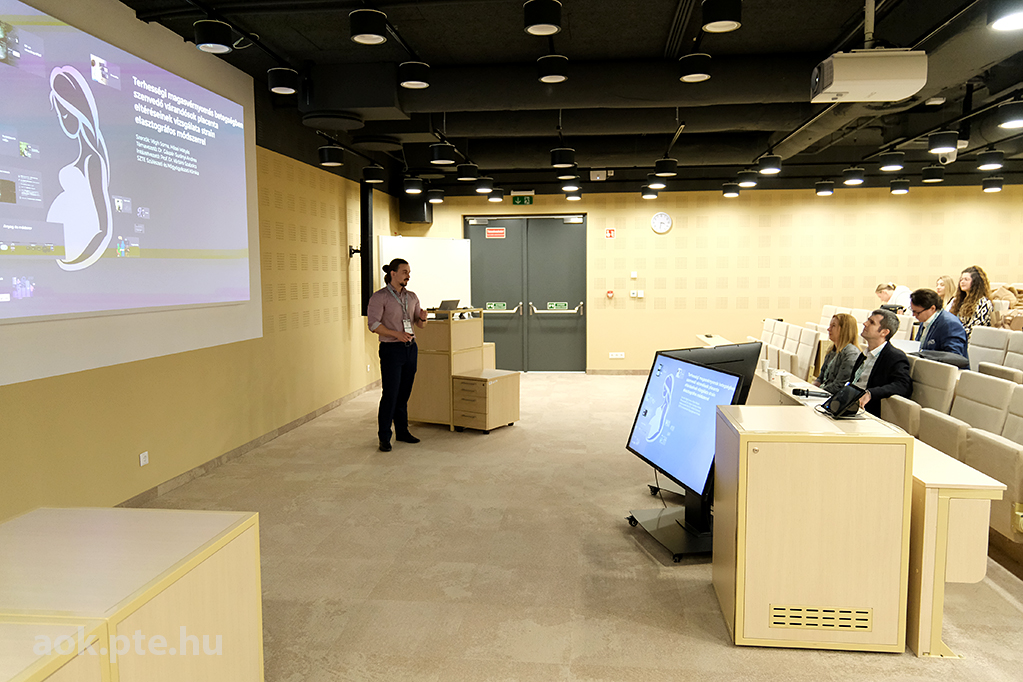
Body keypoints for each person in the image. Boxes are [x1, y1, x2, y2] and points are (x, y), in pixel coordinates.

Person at [367, 258, 428, 452]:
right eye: (404, 272)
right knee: (390, 394)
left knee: (404, 393)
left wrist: (423, 319)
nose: (408, 275)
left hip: (410, 348)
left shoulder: (412, 296)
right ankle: (384, 436)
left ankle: (402, 431)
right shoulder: (380, 297)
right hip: (391, 350)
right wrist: (396, 334)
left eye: (409, 272)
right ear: (393, 274)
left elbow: (419, 324)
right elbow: (373, 325)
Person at [850, 309, 913, 417]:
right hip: (850, 403)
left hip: (866, 411)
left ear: (884, 332)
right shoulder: (864, 353)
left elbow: (903, 385)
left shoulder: (894, 356)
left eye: (871, 322)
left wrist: (871, 393)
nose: (865, 323)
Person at [909, 288, 968, 360]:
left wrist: (923, 354)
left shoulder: (950, 324)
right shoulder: (925, 320)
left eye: (917, 312)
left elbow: (954, 356)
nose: (914, 315)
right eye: (913, 311)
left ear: (932, 308)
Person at [813, 313, 862, 394]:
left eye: (833, 326)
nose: (829, 329)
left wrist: (816, 392)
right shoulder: (832, 349)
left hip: (834, 396)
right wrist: (811, 387)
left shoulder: (851, 353)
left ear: (844, 330)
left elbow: (839, 386)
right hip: (825, 392)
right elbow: (821, 378)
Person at [949, 265, 993, 341]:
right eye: (961, 279)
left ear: (976, 283)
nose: (962, 282)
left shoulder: (983, 302)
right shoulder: (960, 300)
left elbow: (975, 329)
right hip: (957, 338)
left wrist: (953, 336)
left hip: (970, 341)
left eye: (966, 279)